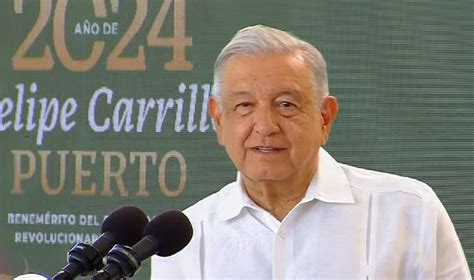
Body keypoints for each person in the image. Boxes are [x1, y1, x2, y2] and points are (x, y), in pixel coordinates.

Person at [151, 25, 471, 279]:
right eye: (244, 106)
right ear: (219, 120)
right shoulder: (186, 238)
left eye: (286, 105)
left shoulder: (409, 210)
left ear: (324, 117)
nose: (265, 125)